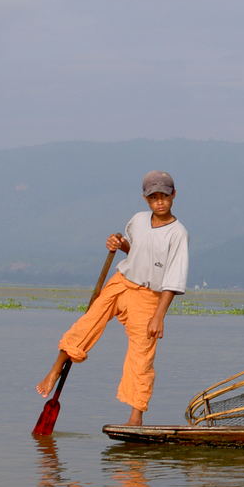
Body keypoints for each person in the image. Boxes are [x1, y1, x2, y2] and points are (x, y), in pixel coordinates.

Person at [35, 171, 189, 426]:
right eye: (153, 197)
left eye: (164, 196)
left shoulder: (178, 234)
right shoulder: (138, 220)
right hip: (121, 283)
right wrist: (118, 244)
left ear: (174, 195)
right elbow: (136, 251)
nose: (159, 202)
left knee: (142, 354)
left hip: (150, 296)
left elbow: (172, 279)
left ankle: (135, 417)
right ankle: (55, 369)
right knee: (88, 322)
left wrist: (158, 316)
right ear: (145, 199)